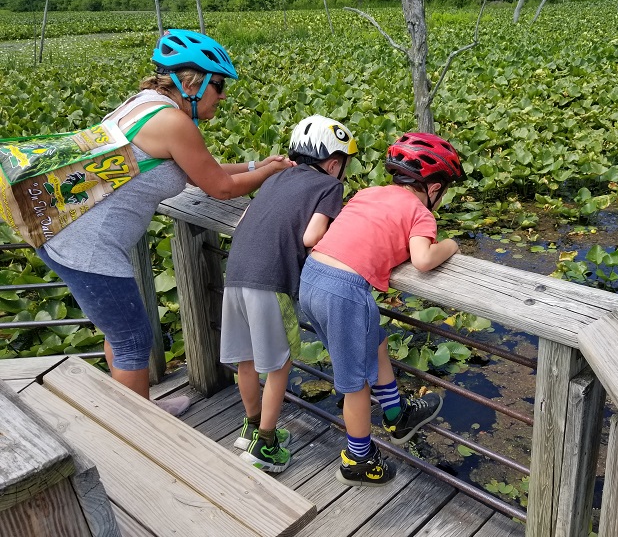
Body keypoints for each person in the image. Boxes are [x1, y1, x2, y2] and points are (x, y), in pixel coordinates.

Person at [35, 29, 292, 416]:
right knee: (133, 341)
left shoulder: (144, 103)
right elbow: (220, 188)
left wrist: (259, 166)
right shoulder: (174, 123)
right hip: (89, 247)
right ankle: (139, 435)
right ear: (192, 82)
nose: (223, 96)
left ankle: (143, 408)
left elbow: (197, 171)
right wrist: (271, 175)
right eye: (218, 85)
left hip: (67, 232)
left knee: (121, 334)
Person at [299, 132, 466, 486]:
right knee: (355, 386)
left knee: (374, 339)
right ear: (434, 189)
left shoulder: (368, 193)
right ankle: (357, 459)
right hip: (344, 291)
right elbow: (422, 260)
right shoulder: (420, 212)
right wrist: (450, 245)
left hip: (312, 276)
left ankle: (395, 413)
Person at [221, 114, 358, 473]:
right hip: (272, 281)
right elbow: (311, 238)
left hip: (235, 274)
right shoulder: (330, 187)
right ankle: (265, 445)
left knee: (246, 359)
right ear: (333, 163)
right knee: (279, 365)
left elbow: (245, 218)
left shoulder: (276, 177)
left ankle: (250, 428)